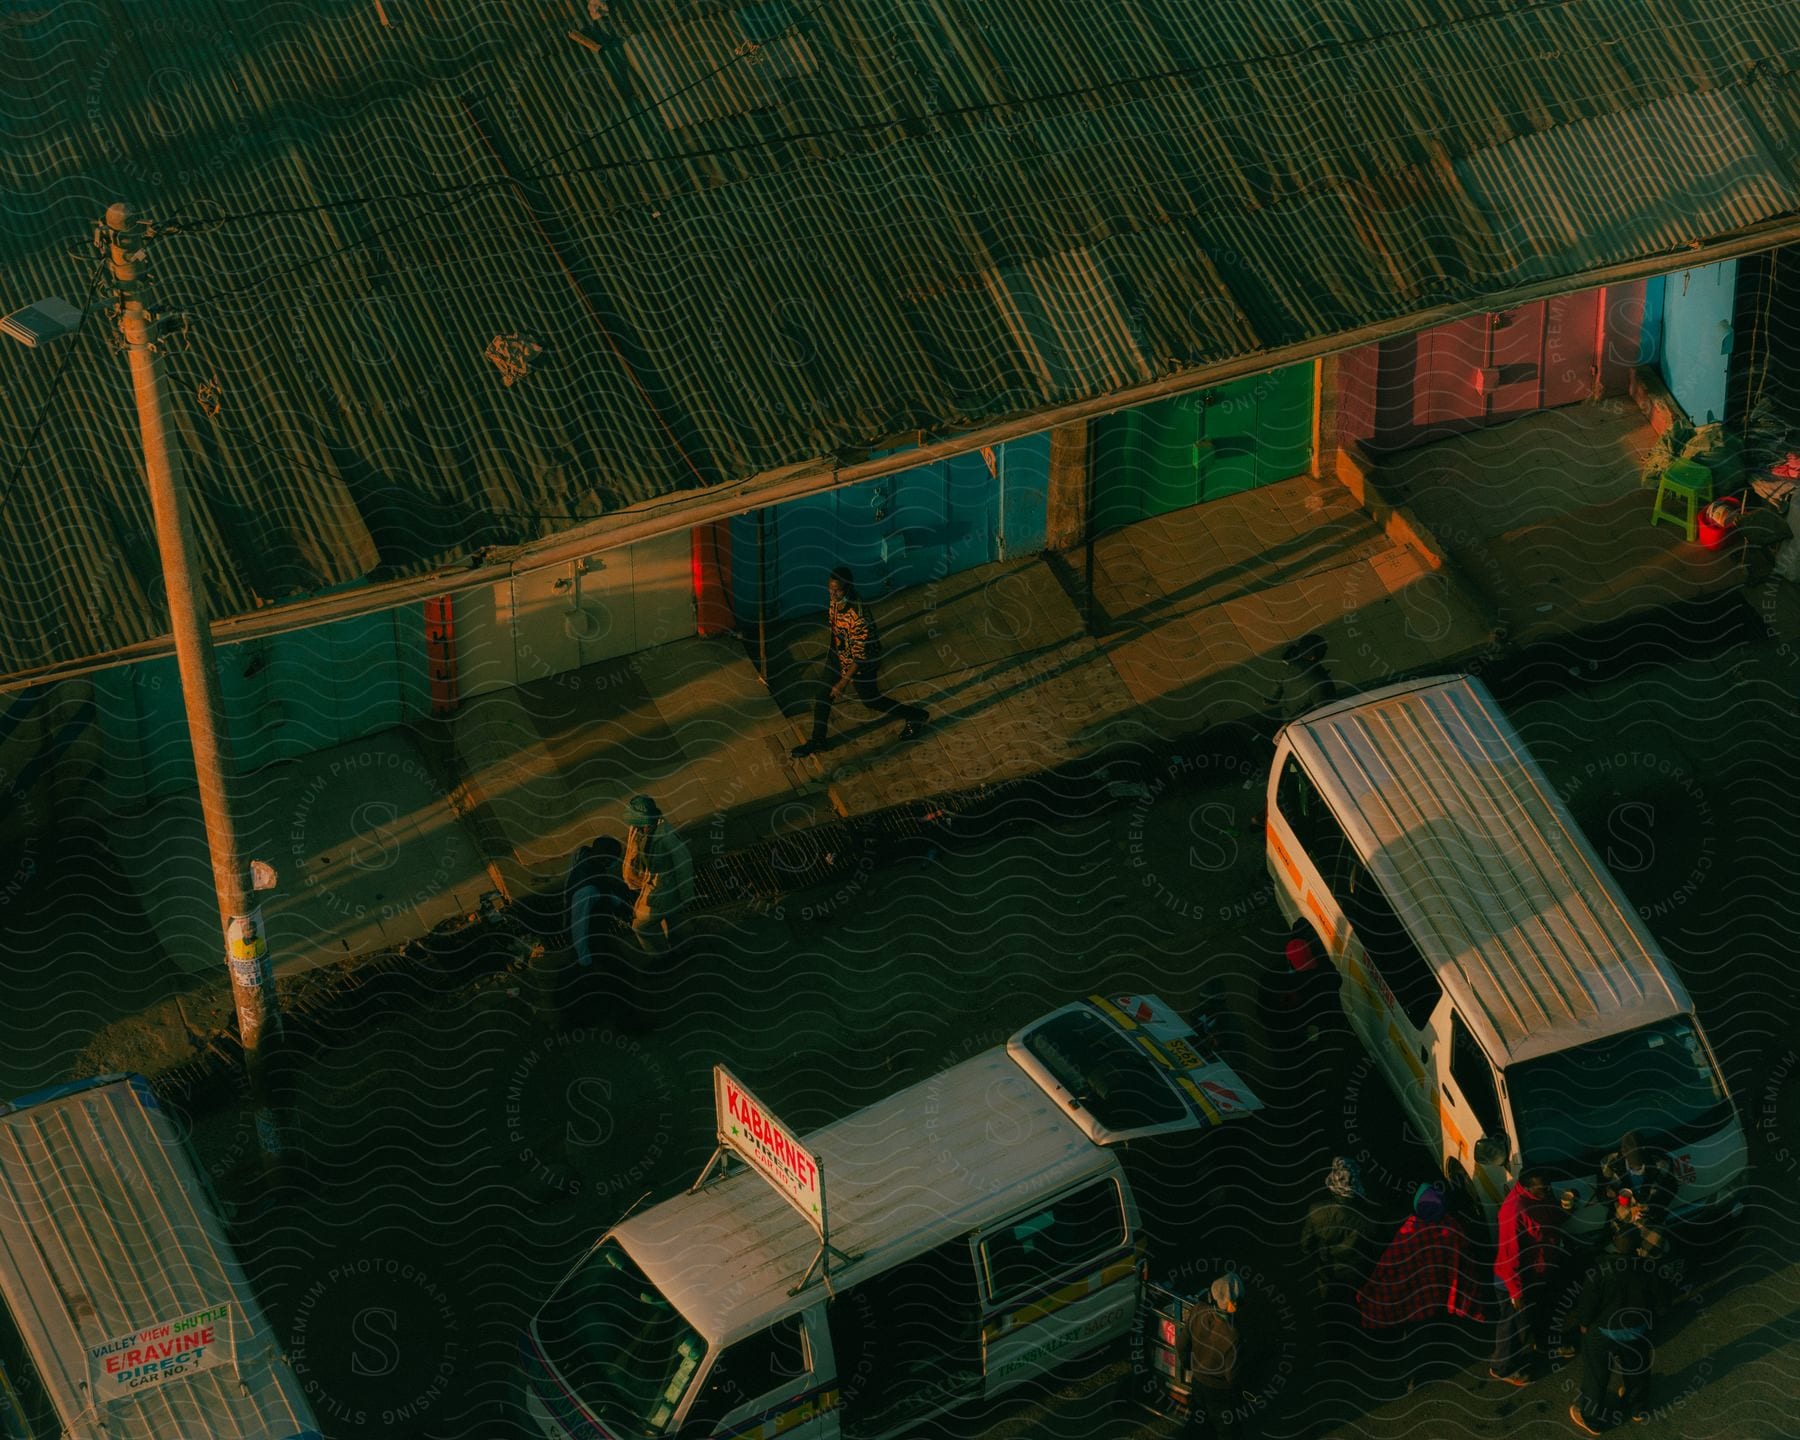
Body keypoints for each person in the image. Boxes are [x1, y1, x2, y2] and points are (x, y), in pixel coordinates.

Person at [1357, 1184, 1484, 1395]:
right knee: (1434, 1330)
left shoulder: (1409, 1231)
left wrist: (1368, 1290)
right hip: (1440, 1293)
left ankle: (1411, 1377)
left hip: (1413, 1298)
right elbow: (1465, 1257)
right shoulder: (1452, 1228)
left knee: (1414, 1339)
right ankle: (1439, 1356)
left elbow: (1387, 1266)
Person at [789, 566, 928, 759]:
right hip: (838, 655)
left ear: (848, 587)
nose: (832, 593)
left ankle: (915, 715)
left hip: (862, 664)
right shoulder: (835, 601)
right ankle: (818, 740)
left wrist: (842, 683)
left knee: (872, 701)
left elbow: (860, 658)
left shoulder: (858, 617)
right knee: (822, 695)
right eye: (830, 589)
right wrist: (834, 655)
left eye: (837, 590)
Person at [1568, 1228, 1673, 1434]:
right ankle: (1637, 1407)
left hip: (1605, 1331)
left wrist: (1584, 1324)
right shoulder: (1648, 1269)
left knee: (1596, 1375)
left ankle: (1592, 1420)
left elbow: (1588, 1305)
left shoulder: (1600, 1271)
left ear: (1615, 1242)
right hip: (1637, 1330)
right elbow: (1663, 1303)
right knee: (1637, 1367)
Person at [1489, 1165, 1569, 1385]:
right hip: (1514, 1282)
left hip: (1538, 1273)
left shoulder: (1539, 1196)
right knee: (1513, 1325)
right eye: (1543, 1189)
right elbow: (1509, 1259)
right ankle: (1502, 1366)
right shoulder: (1513, 1212)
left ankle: (1544, 1342)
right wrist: (1516, 1293)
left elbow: (1550, 1218)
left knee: (1542, 1310)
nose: (1548, 1192)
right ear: (1527, 1188)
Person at [1300, 1156, 1387, 1308]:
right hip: (1358, 1278)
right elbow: (1378, 1252)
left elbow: (1306, 1245)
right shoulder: (1371, 1218)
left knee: (1330, 1311)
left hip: (1328, 1276)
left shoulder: (1316, 1211)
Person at [621, 794, 695, 959]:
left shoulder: (667, 837)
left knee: (641, 927)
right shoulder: (641, 832)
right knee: (671, 921)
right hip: (656, 888)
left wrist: (686, 894)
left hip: (664, 890)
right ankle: (681, 949)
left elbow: (684, 865)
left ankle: (661, 956)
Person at [1183, 1273, 1246, 1433]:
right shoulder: (1233, 1335)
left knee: (1197, 1426)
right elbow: (1233, 1375)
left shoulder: (1198, 1311)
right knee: (1226, 1432)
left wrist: (1188, 1365)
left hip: (1197, 1381)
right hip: (1219, 1391)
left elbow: (1182, 1343)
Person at [1597, 1132, 1679, 1228]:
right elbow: (1601, 1194)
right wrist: (1608, 1195)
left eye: (1640, 1154)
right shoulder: (1609, 1163)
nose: (1638, 1160)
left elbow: (1671, 1188)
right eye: (1633, 1155)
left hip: (1651, 1220)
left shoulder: (1662, 1163)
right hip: (1622, 1222)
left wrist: (1652, 1207)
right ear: (1623, 1152)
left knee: (1656, 1239)